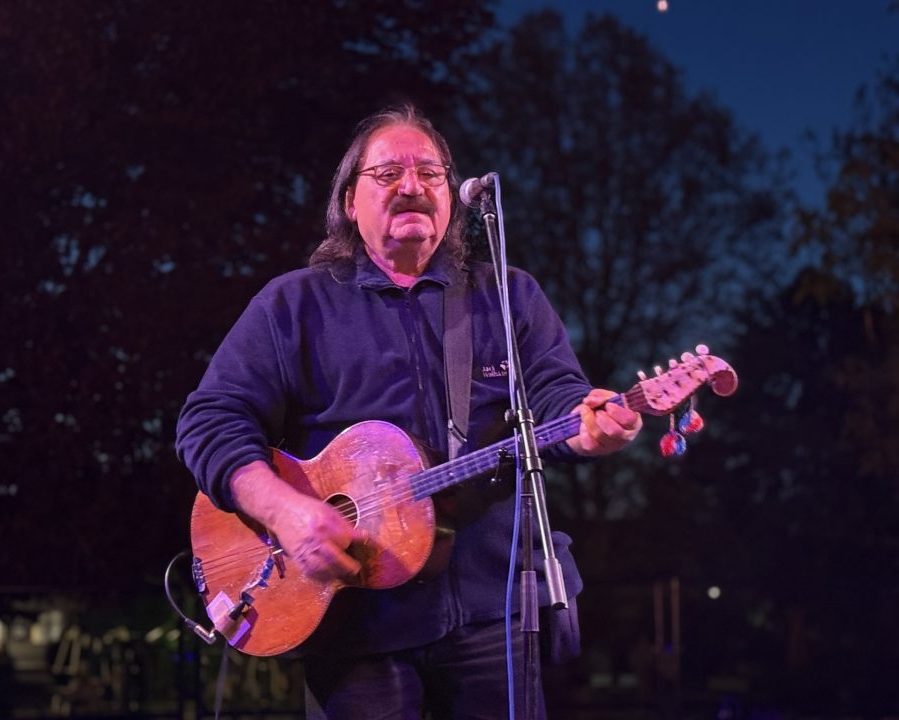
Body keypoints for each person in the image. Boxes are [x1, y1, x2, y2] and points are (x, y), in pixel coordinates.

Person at [176, 104, 642, 720]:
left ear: (451, 195)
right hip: (355, 624)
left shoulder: (508, 296)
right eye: (389, 173)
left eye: (429, 172)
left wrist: (592, 429)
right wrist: (283, 510)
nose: (411, 185)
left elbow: (559, 403)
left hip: (495, 612)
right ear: (350, 201)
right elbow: (210, 420)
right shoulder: (293, 305)